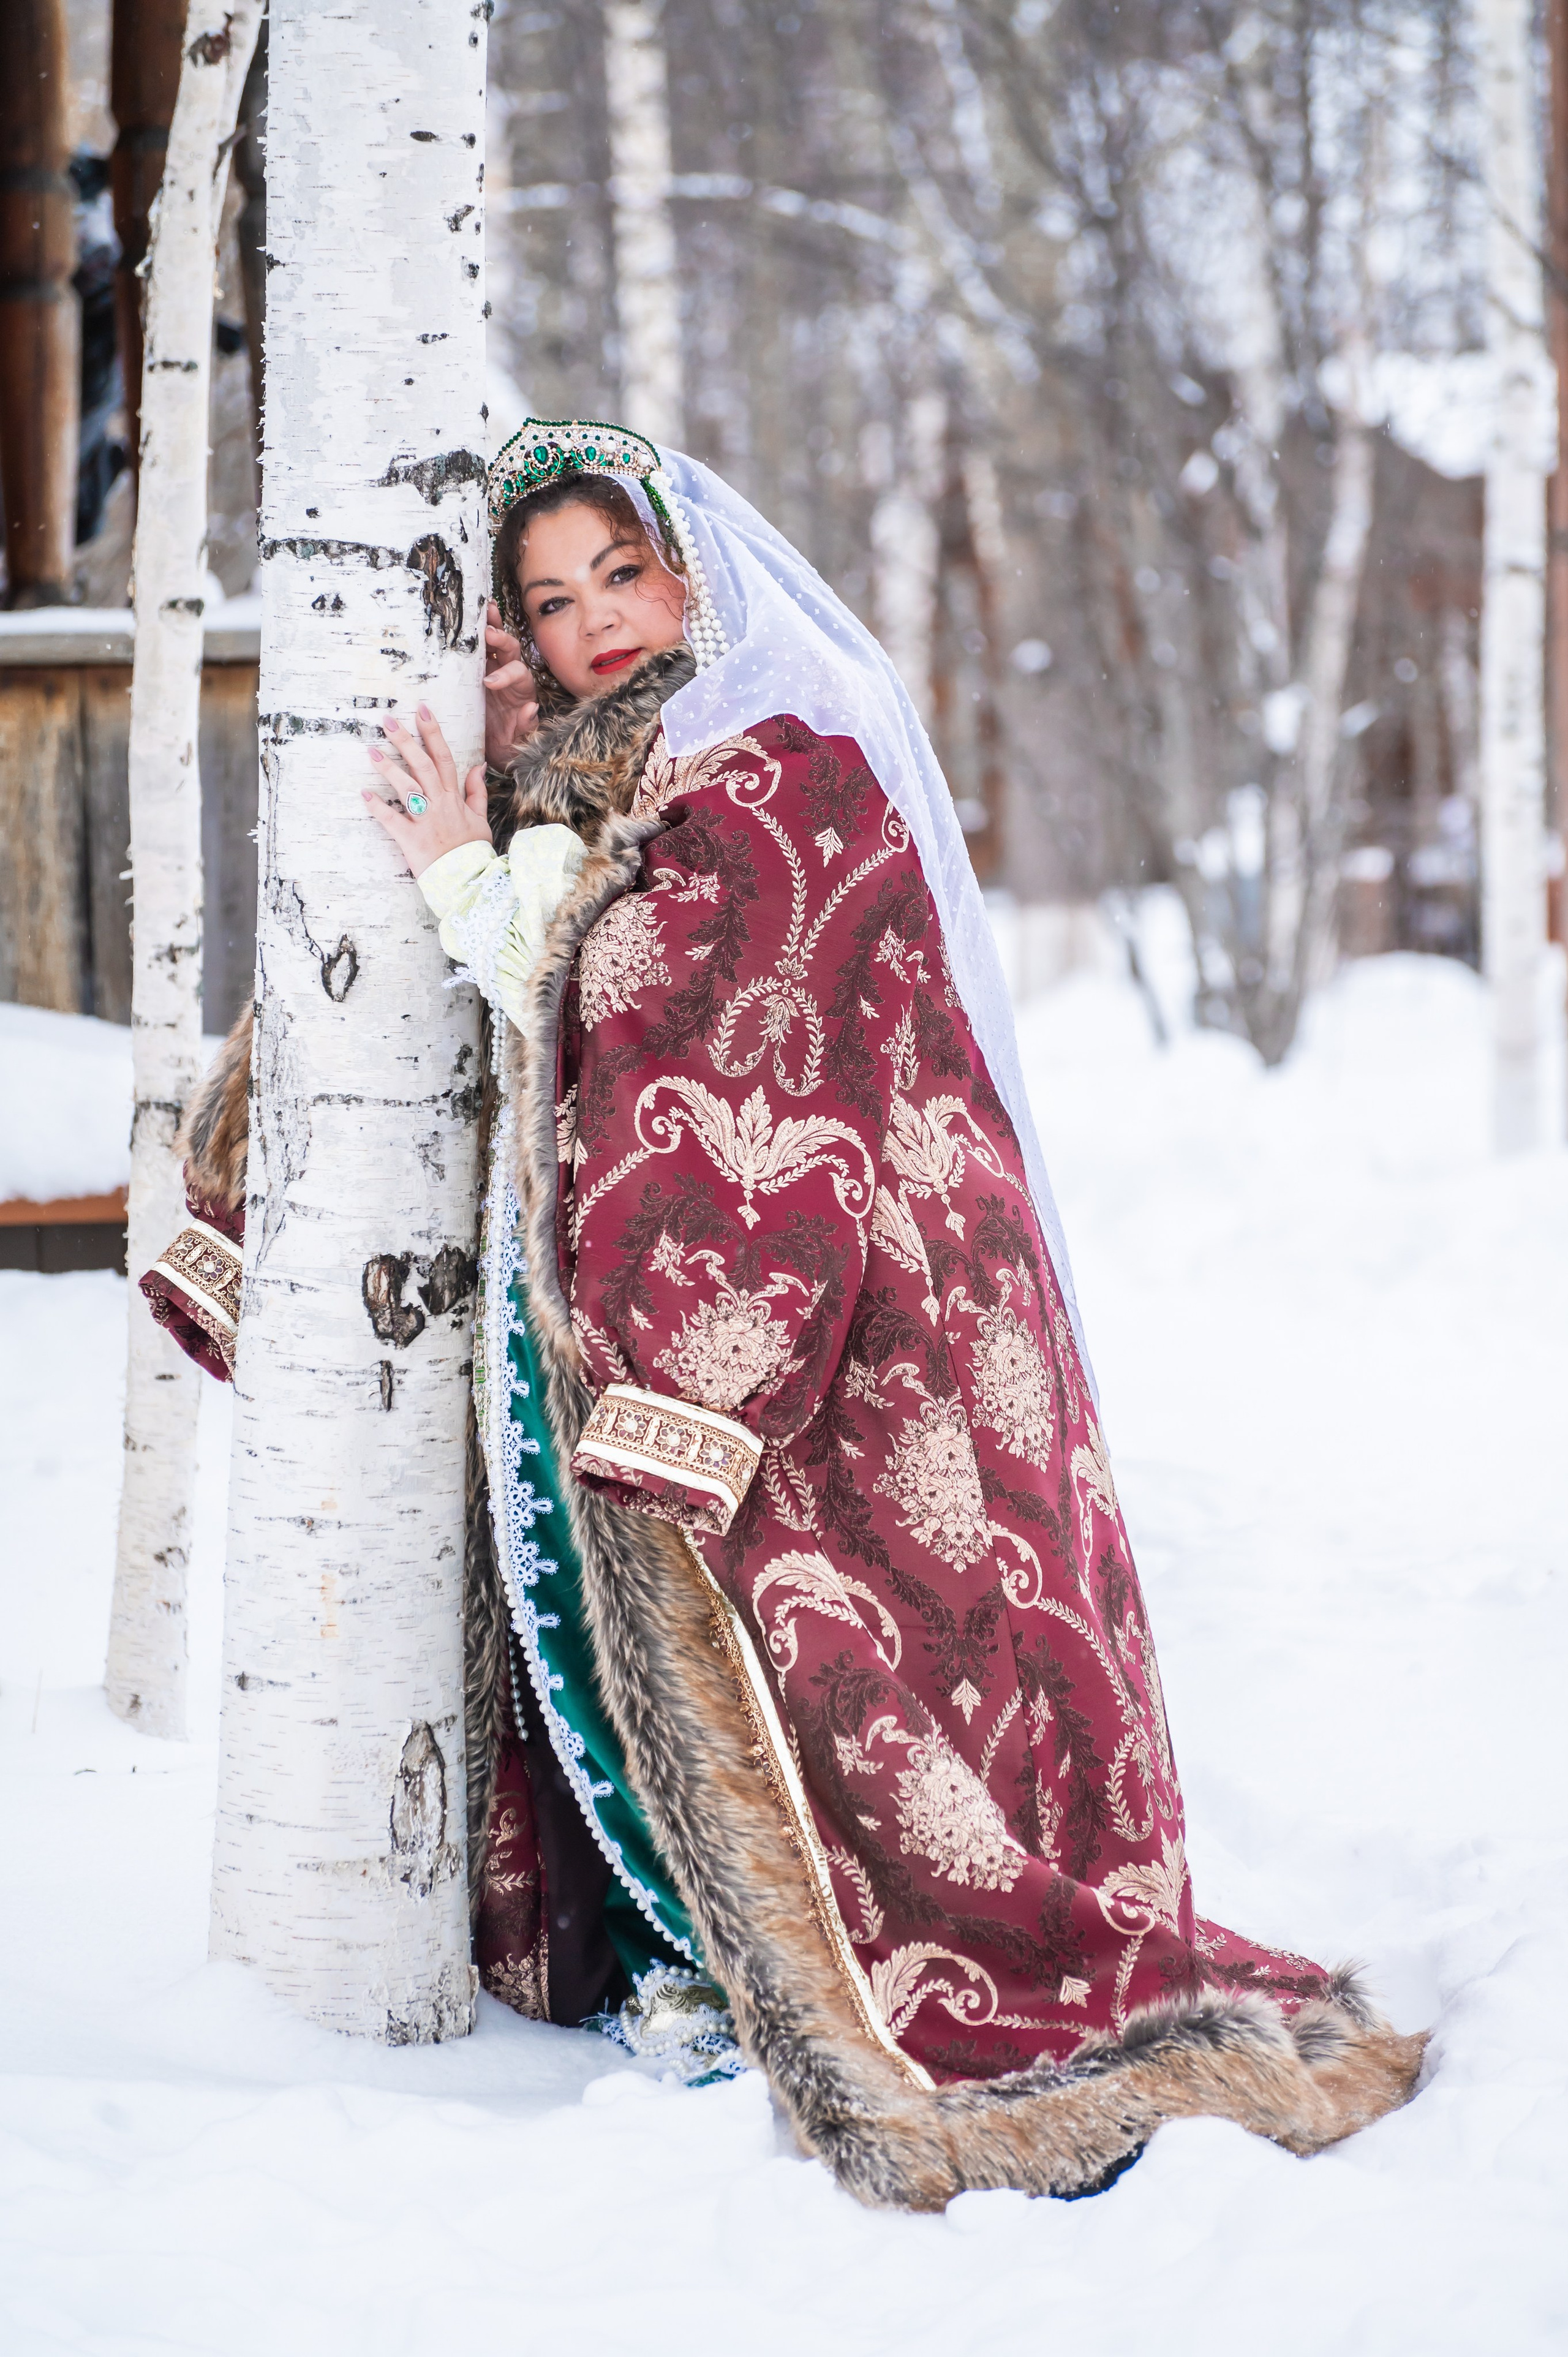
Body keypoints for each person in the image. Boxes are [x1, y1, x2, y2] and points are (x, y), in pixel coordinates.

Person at [145, 417, 1424, 2208]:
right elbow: (551, 965)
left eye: (624, 573)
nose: (595, 622)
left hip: (848, 1340)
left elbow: (656, 992)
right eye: (548, 599)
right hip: (619, 1312)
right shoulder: (596, 789)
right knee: (610, 1646)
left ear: (696, 572)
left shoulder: (778, 767)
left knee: (826, 1672)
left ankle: (807, 1973)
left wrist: (468, 878)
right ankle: (687, 1941)